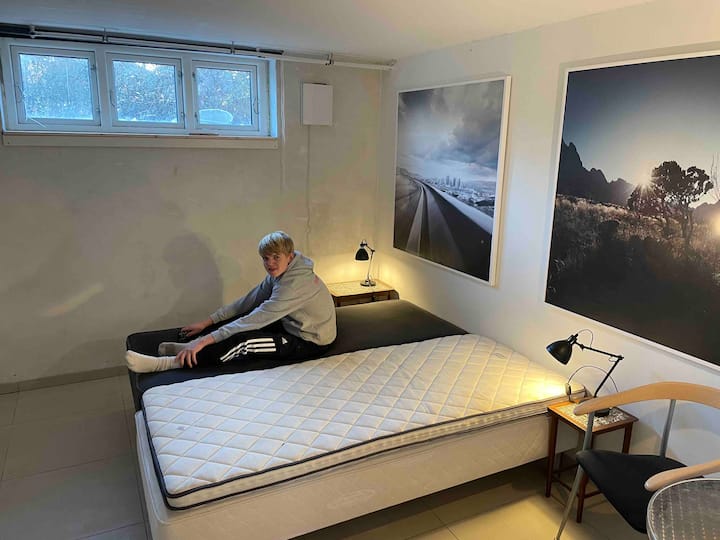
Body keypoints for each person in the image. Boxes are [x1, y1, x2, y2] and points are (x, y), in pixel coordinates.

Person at [126, 231, 337, 373]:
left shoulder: (293, 286)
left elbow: (255, 319)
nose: (270, 264)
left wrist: (203, 342)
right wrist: (207, 322)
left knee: (243, 343)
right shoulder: (283, 273)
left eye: (275, 257)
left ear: (289, 256)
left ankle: (169, 364)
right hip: (292, 323)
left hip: (309, 340)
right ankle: (190, 346)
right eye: (265, 258)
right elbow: (248, 302)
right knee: (240, 318)